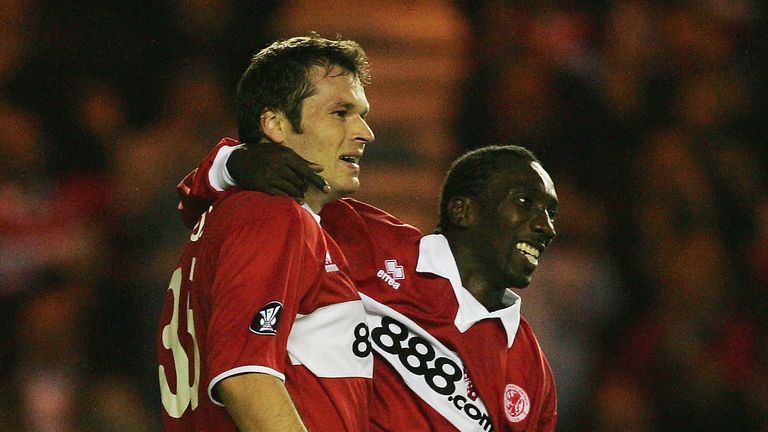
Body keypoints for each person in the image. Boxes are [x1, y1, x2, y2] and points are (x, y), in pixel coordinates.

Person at [178, 142, 559, 431]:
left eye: (550, 212)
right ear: (463, 210)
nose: (545, 226)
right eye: (525, 203)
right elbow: (222, 207)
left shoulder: (532, 374)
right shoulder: (364, 239)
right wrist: (236, 162)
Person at [156, 35, 375, 432]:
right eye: (340, 113)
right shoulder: (272, 216)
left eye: (361, 114)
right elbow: (245, 378)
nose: (364, 132)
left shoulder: (237, 212)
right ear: (275, 123)